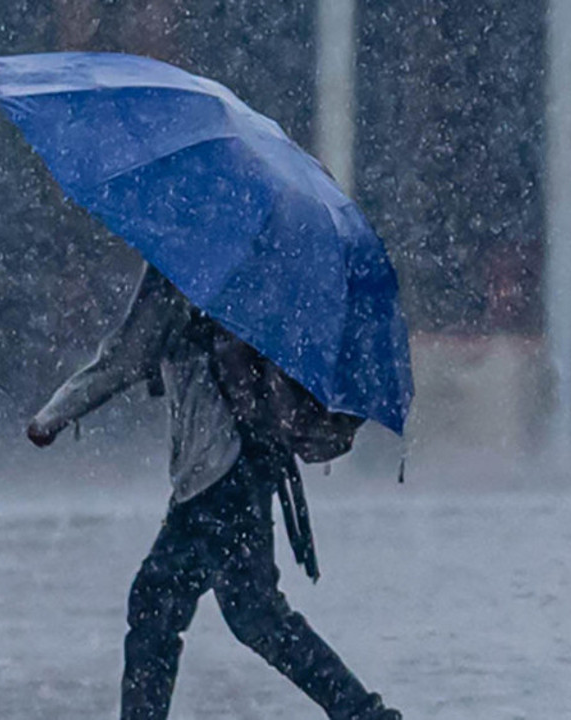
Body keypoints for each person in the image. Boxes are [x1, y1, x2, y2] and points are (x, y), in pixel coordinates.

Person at [26, 263, 402, 720]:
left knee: (160, 605)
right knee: (253, 614)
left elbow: (128, 356)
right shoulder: (259, 266)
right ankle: (364, 714)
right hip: (251, 462)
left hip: (216, 469)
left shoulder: (182, 261)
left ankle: (364, 714)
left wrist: (54, 415)